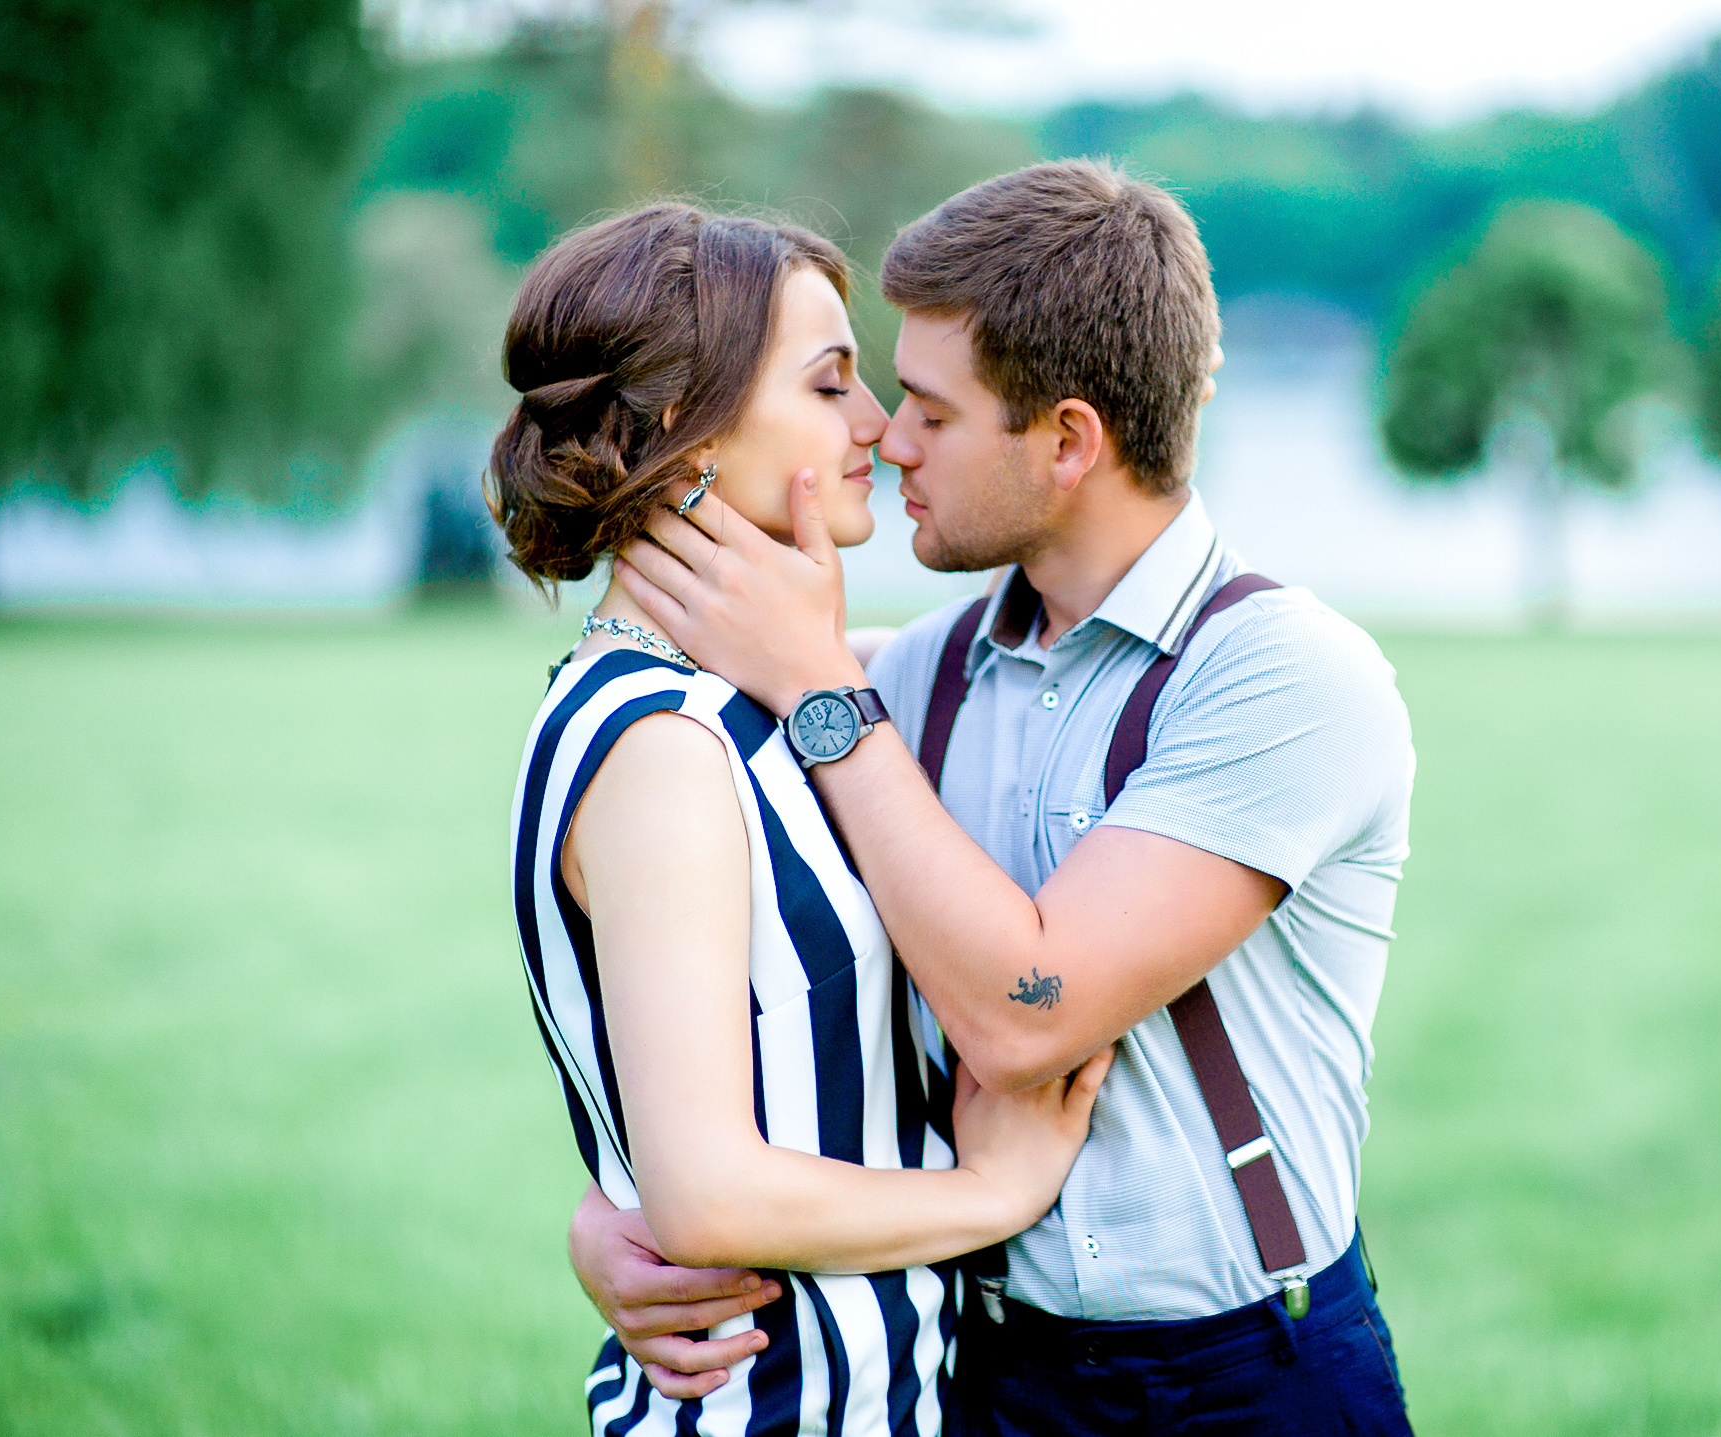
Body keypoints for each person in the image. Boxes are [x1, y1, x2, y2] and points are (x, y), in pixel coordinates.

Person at [574, 161, 1418, 1435]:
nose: (885, 436)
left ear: (1068, 441)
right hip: (981, 1369)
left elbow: (1032, 1015)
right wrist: (623, 1220)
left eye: (930, 410)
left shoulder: (1290, 680)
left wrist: (817, 681)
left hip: (1250, 1381)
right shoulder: (910, 680)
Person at [495, 202, 1111, 1437]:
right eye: (833, 386)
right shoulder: (662, 745)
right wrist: (992, 1193)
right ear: (687, 429)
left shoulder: (765, 700)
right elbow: (707, 1194)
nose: (879, 428)